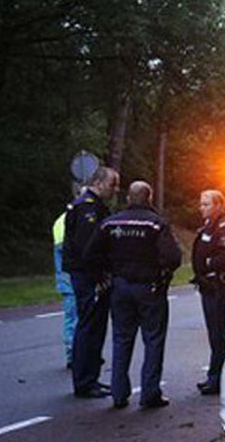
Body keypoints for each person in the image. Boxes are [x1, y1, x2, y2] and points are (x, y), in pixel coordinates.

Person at [84, 181, 181, 409]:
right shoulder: (156, 224)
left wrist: (104, 275)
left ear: (128, 198)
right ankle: (149, 393)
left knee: (121, 339)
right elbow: (173, 257)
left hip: (119, 287)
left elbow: (90, 254)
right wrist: (162, 273)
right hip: (150, 287)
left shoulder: (110, 222)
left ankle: (118, 393)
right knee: (153, 340)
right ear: (149, 198)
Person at [63, 166, 119, 398]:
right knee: (89, 326)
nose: (115, 190)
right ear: (98, 182)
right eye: (112, 184)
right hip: (88, 276)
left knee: (94, 326)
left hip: (89, 275)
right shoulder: (88, 209)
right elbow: (89, 249)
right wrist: (101, 277)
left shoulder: (94, 206)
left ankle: (91, 377)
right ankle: (85, 381)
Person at [191, 189, 225, 395]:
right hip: (208, 285)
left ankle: (220, 377)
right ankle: (216, 374)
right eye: (201, 204)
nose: (202, 208)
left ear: (219, 205)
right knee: (214, 333)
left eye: (207, 204)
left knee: (218, 333)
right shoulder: (208, 227)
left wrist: (207, 263)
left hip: (218, 285)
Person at [52, 211, 77, 370]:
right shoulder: (77, 217)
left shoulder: (60, 219)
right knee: (79, 316)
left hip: (64, 279)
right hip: (75, 276)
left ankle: (70, 351)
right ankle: (77, 353)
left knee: (70, 315)